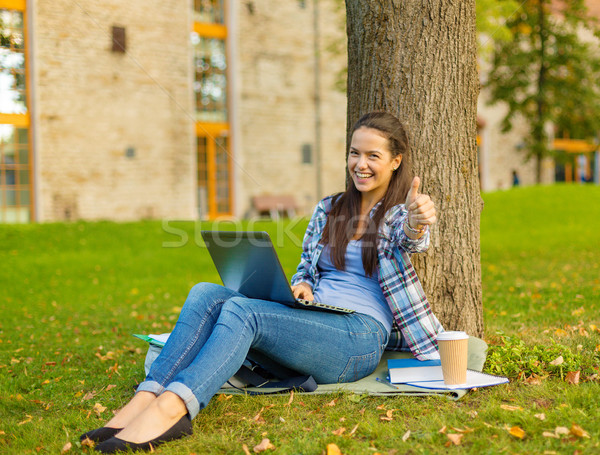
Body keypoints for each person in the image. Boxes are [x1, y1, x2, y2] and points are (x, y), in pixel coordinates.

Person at [81, 111, 443, 453]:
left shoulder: (398, 215)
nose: (360, 164)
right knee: (205, 293)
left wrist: (418, 219)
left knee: (243, 311)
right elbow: (307, 267)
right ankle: (145, 400)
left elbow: (411, 239)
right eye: (354, 153)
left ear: (395, 161)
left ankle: (173, 410)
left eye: (372, 155)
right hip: (318, 316)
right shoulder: (330, 208)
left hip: (358, 339)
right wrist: (303, 287)